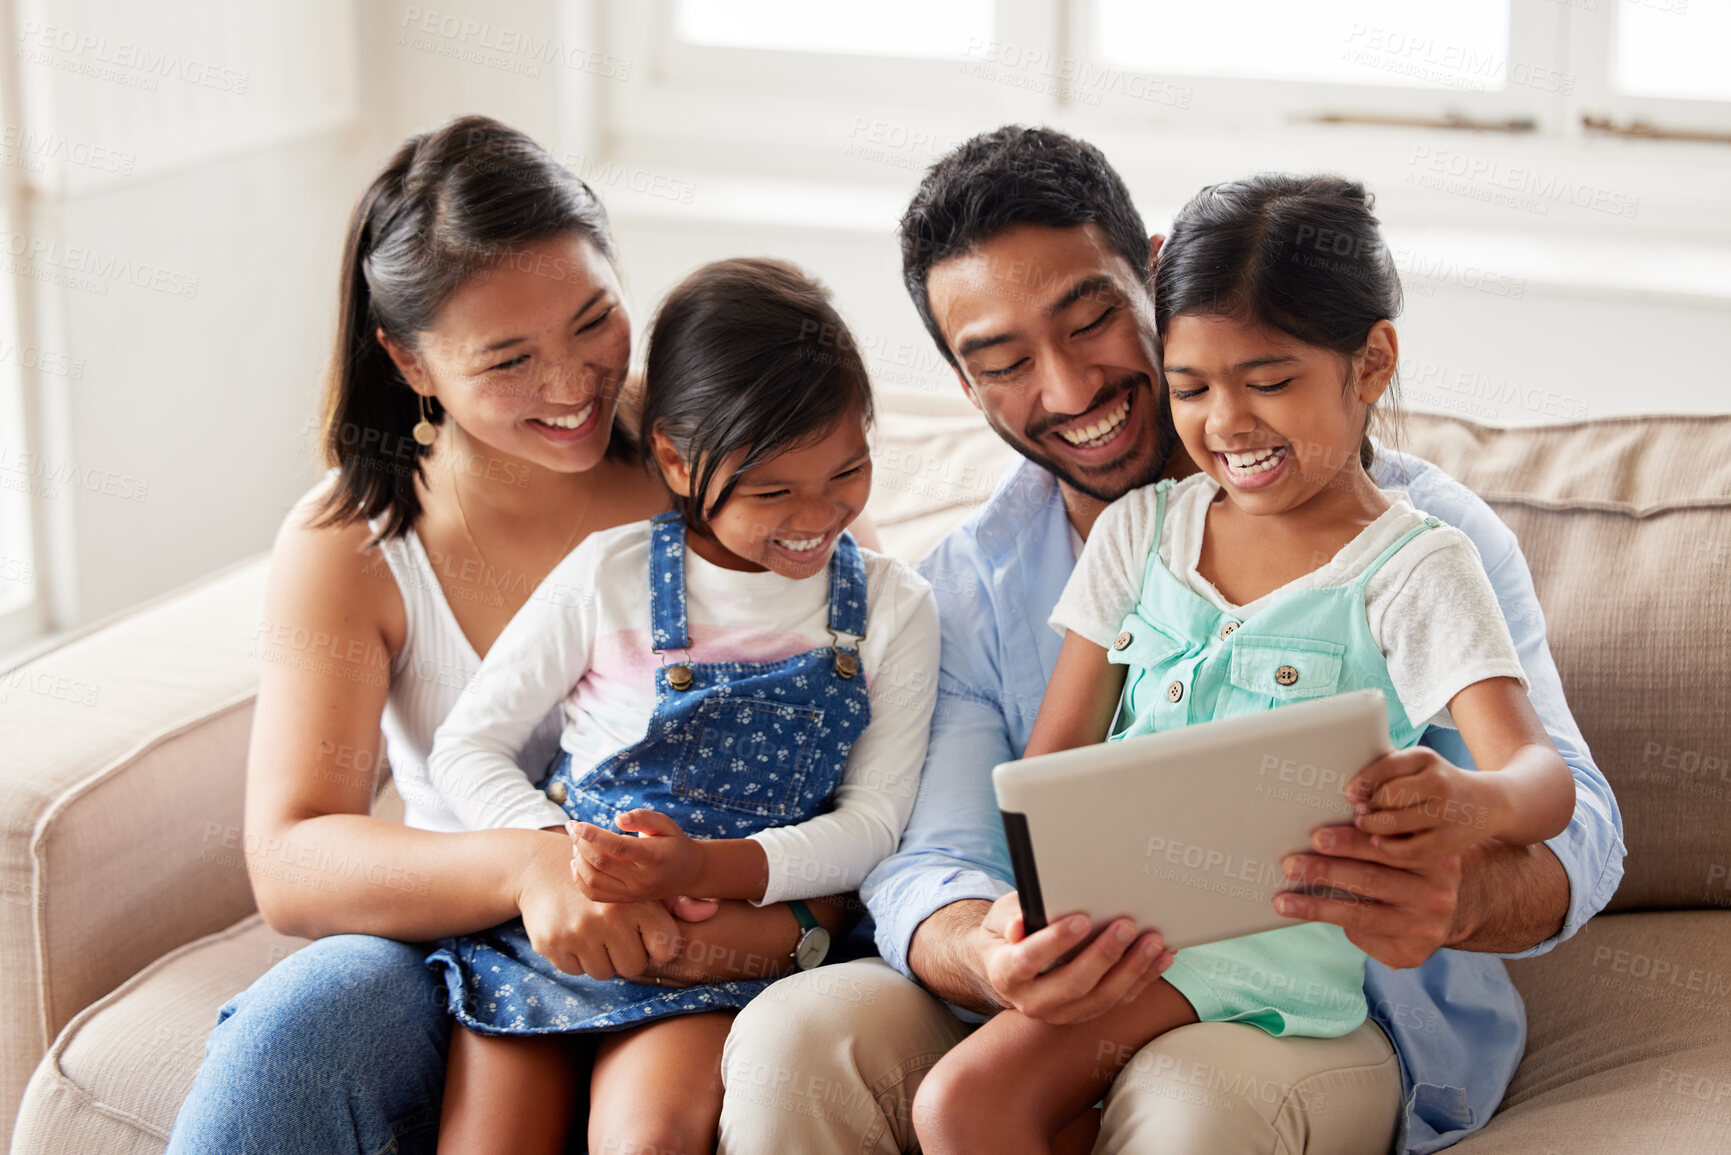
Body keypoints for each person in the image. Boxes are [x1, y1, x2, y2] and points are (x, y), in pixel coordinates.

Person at [718, 127, 1624, 1155]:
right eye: (1006, 362)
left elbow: (1577, 824)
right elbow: (942, 848)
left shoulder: (1424, 547)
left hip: (1323, 1001)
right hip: (1083, 984)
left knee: (1190, 1102)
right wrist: (991, 949)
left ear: (1152, 278)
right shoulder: (989, 578)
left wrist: (1450, 890)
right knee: (796, 1036)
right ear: (968, 390)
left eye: (1091, 321)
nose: (1065, 391)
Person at [167, 117, 863, 1154]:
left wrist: (788, 923)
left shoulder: (715, 451)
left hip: (708, 914)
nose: (573, 383)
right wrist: (531, 867)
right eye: (509, 359)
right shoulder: (355, 540)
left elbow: (860, 694)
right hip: (457, 933)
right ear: (409, 361)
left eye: (594, 321)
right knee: (293, 1038)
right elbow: (294, 854)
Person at [423, 257, 937, 1155]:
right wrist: (561, 861)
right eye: (773, 489)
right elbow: (467, 746)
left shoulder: (893, 607)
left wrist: (702, 868)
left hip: (720, 951)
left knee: (648, 1139)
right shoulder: (607, 574)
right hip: (562, 930)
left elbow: (875, 823)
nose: (819, 515)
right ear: (673, 457)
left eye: (848, 469)